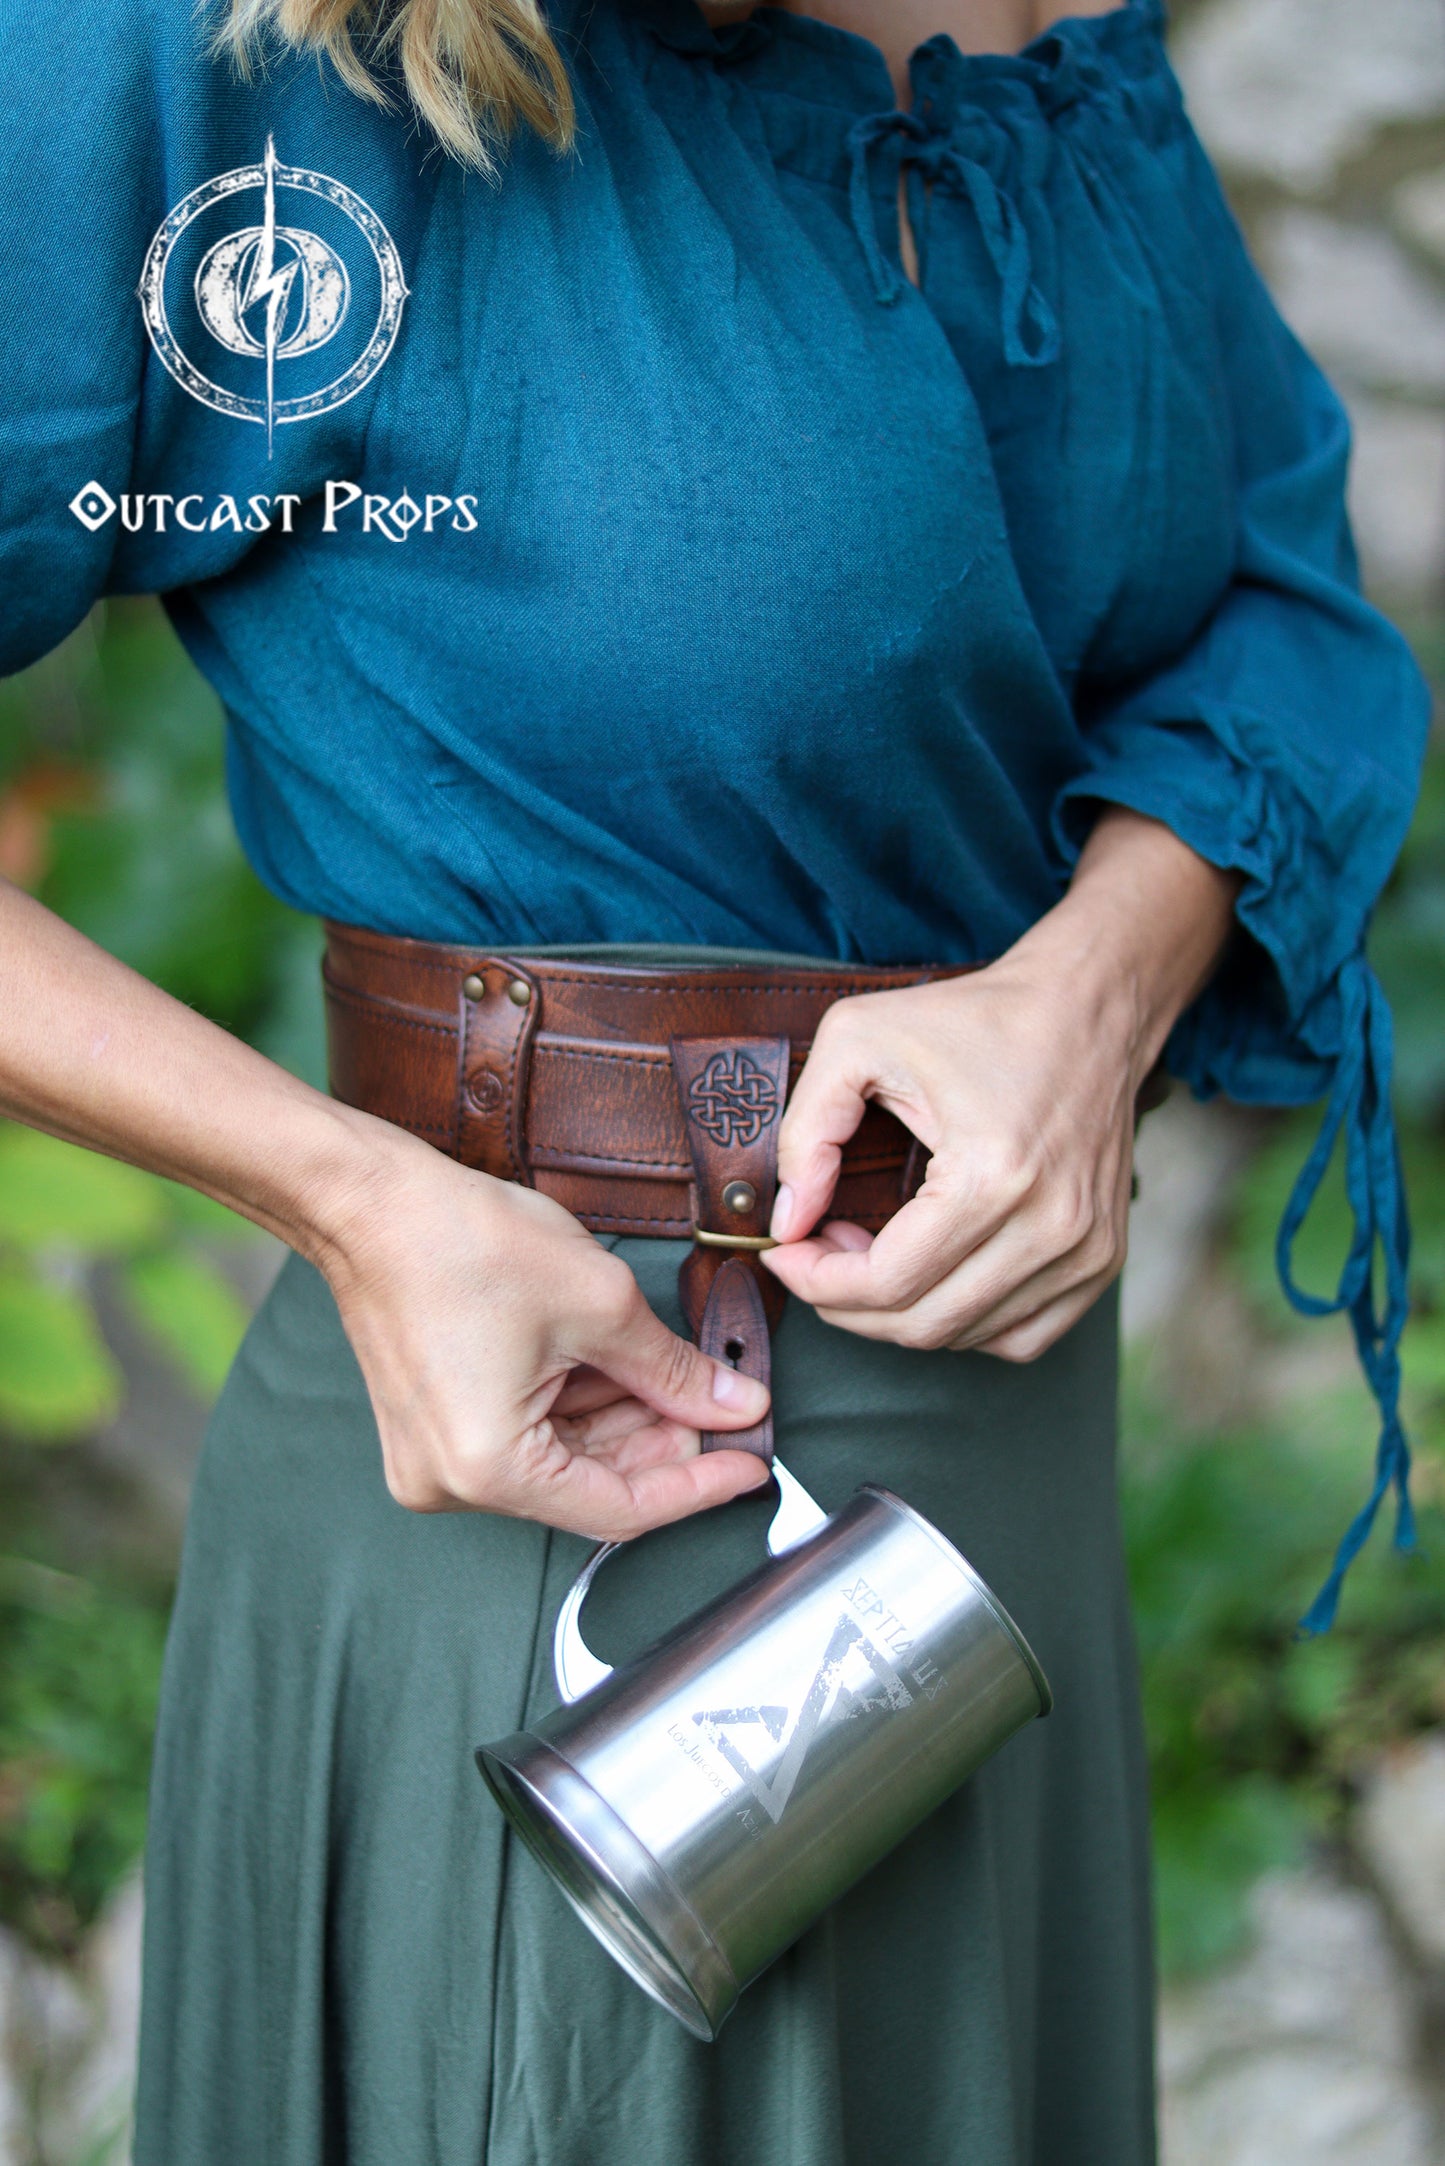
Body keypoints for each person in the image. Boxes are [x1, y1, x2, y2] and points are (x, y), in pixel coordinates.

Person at [0, 0, 1428, 2157]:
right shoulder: (208, 56)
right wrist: (348, 1198)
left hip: (994, 1496)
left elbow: (1268, 587)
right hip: (553, 1501)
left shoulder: (1056, 42)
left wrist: (1099, 987)